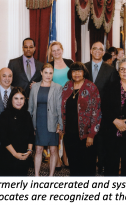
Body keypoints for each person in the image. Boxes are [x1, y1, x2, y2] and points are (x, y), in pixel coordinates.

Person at [61, 62, 101, 176]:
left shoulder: (91, 87)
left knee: (87, 167)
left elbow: (96, 112)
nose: (76, 73)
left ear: (84, 73)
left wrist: (91, 135)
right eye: (74, 71)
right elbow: (62, 108)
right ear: (71, 73)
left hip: (86, 135)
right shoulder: (67, 86)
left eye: (79, 71)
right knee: (74, 166)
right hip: (70, 134)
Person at [85, 41, 118, 175]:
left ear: (103, 52)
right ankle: (89, 170)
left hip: (104, 114)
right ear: (91, 51)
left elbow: (113, 94)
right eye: (95, 48)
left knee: (102, 144)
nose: (97, 51)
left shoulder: (110, 70)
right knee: (88, 145)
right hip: (85, 114)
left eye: (100, 49)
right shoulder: (83, 67)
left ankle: (102, 169)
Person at [28, 63, 63, 176]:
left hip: (52, 122)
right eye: (46, 72)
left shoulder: (57, 87)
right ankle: (37, 175)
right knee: (38, 150)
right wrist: (30, 125)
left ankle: (51, 176)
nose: (48, 75)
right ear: (41, 73)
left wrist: (60, 125)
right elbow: (30, 107)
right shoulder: (34, 87)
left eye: (50, 73)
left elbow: (59, 108)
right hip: (38, 122)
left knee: (53, 151)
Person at [0, 87, 34, 176]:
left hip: (24, 156)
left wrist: (29, 152)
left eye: (21, 98)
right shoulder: (4, 115)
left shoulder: (27, 114)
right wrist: (15, 154)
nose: (19, 101)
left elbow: (31, 135)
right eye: (16, 98)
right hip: (8, 156)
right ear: (11, 100)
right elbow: (3, 138)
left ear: (25, 100)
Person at [48, 41, 73, 169]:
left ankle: (66, 157)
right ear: (51, 53)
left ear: (62, 50)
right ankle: (57, 159)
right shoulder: (49, 65)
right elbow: (43, 79)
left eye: (58, 49)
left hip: (70, 100)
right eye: (54, 50)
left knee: (67, 130)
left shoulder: (70, 63)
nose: (56, 52)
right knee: (56, 131)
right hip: (55, 100)